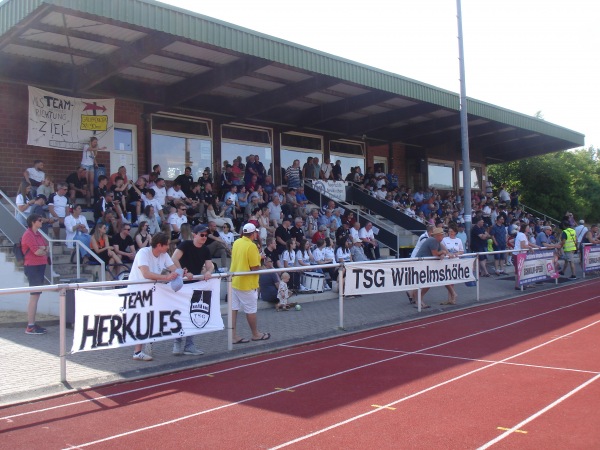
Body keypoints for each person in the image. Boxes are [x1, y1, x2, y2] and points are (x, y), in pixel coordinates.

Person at [128, 232, 181, 361]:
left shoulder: (164, 254)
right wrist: (166, 277)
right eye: (166, 245)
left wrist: (183, 272)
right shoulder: (143, 253)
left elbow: (174, 268)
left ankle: (147, 342)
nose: (168, 247)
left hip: (152, 290)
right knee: (141, 320)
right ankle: (137, 351)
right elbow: (146, 273)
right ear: (159, 245)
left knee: (152, 318)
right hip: (137, 292)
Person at [171, 224, 213, 356]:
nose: (204, 237)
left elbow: (209, 265)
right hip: (182, 284)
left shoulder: (205, 249)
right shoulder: (185, 245)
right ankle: (177, 342)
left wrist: (209, 272)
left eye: (206, 235)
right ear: (194, 234)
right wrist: (183, 272)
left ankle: (189, 344)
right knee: (181, 313)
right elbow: (174, 258)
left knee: (193, 314)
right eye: (202, 235)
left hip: (196, 284)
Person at [230, 223, 270, 343]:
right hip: (246, 283)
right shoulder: (251, 246)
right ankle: (255, 334)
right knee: (251, 309)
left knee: (234, 309)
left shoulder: (237, 242)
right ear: (253, 234)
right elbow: (254, 268)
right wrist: (260, 258)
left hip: (235, 280)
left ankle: (233, 335)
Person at [409, 227, 454, 308]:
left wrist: (443, 253)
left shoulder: (436, 241)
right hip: (421, 264)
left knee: (427, 283)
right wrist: (443, 252)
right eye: (442, 235)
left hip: (425, 264)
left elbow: (440, 253)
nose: (443, 236)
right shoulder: (433, 241)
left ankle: (418, 300)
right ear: (438, 235)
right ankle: (418, 300)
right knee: (425, 283)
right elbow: (436, 254)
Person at [21, 214, 49, 335]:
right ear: (33, 222)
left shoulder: (38, 234)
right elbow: (38, 251)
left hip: (39, 266)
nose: (41, 221)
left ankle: (32, 323)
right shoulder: (28, 234)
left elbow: (46, 247)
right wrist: (42, 249)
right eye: (39, 220)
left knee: (36, 295)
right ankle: (30, 325)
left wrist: (42, 249)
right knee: (34, 295)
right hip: (32, 267)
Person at [512, 223, 541, 289]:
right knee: (518, 270)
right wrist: (529, 248)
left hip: (521, 254)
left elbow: (527, 243)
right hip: (518, 254)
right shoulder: (522, 235)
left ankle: (522, 284)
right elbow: (523, 246)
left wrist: (536, 246)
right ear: (524, 228)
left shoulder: (522, 235)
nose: (529, 229)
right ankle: (517, 285)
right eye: (527, 228)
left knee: (521, 270)